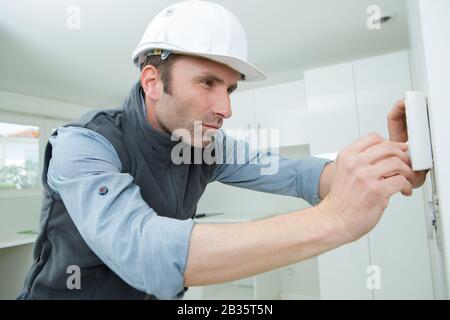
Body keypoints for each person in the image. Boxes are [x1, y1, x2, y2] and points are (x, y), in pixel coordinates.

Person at [18, 0, 427, 300]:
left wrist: (386, 165)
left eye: (229, 89)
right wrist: (336, 218)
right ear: (152, 82)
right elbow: (145, 252)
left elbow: (298, 174)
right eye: (207, 83)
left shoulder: (205, 146)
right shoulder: (84, 144)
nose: (226, 109)